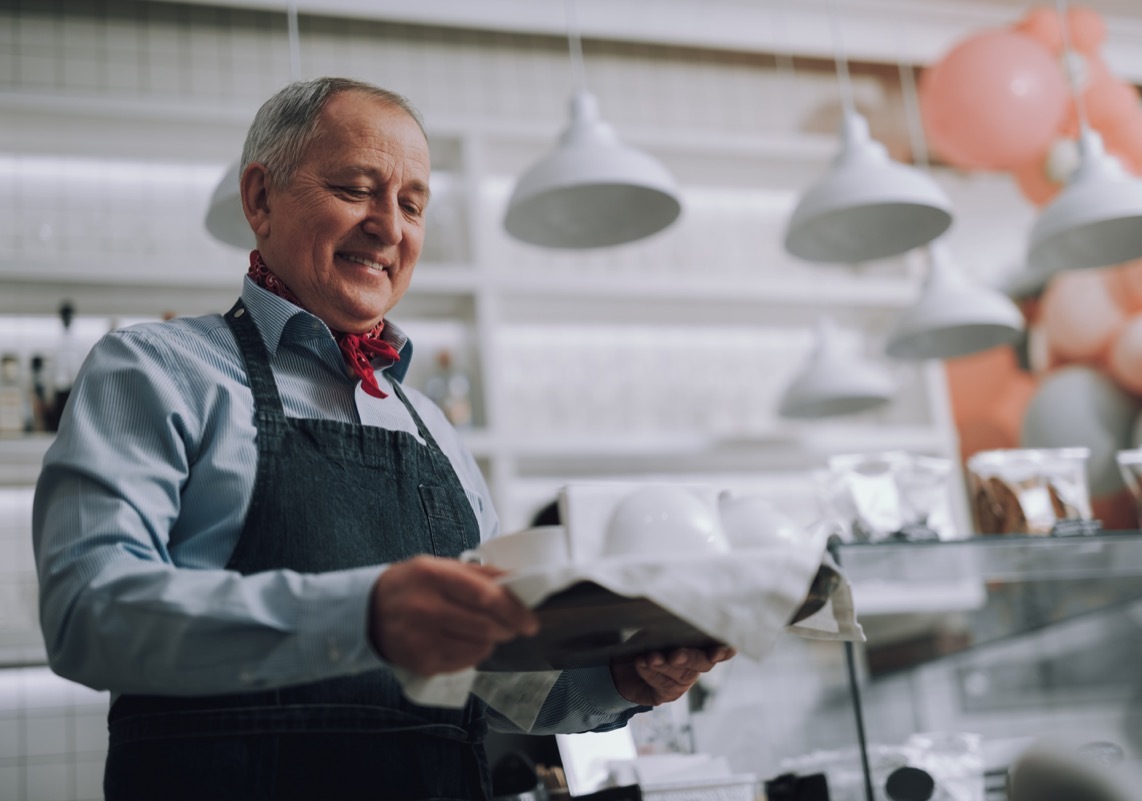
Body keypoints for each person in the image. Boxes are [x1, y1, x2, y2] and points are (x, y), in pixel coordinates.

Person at [31, 77, 734, 801]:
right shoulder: (156, 369)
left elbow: (496, 675)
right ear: (260, 199)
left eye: (411, 204)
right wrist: (362, 615)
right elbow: (88, 611)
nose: (389, 227)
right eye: (357, 188)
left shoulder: (433, 425)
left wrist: (623, 675)